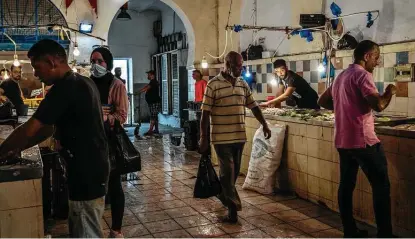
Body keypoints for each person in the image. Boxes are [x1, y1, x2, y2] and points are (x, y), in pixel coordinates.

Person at [0, 39, 110, 238]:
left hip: (86, 172)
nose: (35, 73)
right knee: (84, 226)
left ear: (51, 62)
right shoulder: (83, 81)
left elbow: (31, 128)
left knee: (86, 231)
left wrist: (0, 152)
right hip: (93, 167)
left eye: (37, 67)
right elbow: (45, 130)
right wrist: (17, 149)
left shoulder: (64, 88)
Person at [318, 40, 395, 238]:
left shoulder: (342, 76)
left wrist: (345, 108)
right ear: (367, 56)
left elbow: (322, 100)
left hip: (343, 141)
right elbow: (378, 105)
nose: (376, 62)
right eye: (376, 58)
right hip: (364, 141)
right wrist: (389, 92)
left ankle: (349, 230)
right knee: (381, 186)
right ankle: (385, 234)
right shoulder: (362, 75)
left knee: (346, 185)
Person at [199, 51, 271, 223]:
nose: (240, 69)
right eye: (237, 66)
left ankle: (224, 196)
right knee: (227, 173)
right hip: (221, 138)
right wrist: (203, 137)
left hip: (239, 137)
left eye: (241, 65)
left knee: (233, 174)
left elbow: (253, 106)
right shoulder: (213, 84)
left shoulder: (242, 84)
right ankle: (233, 209)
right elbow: (205, 114)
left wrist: (265, 124)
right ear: (227, 64)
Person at [90, 47, 128, 238]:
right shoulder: (87, 84)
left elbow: (122, 115)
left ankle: (116, 229)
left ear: (108, 64)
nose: (95, 65)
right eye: (93, 62)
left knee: (114, 186)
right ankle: (95, 229)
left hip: (110, 143)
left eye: (100, 61)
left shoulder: (117, 85)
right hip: (90, 143)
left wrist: (105, 117)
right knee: (95, 187)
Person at [139, 70, 161, 136]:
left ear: (152, 75)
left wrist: (137, 92)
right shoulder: (152, 82)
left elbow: (146, 88)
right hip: (153, 102)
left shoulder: (153, 82)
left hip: (154, 102)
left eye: (149, 74)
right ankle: (156, 129)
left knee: (153, 116)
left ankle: (150, 131)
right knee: (155, 116)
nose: (147, 76)